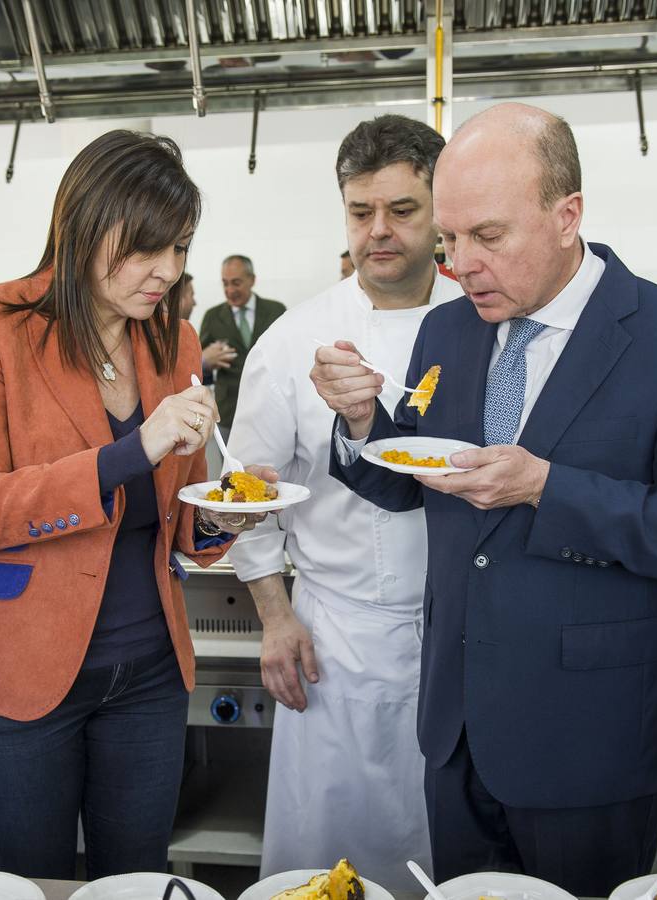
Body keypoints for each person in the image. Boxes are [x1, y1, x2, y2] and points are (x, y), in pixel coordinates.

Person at [311, 102, 657, 895]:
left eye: (487, 237)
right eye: (449, 240)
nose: (459, 264)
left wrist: (548, 487)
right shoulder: (447, 333)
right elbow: (414, 478)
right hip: (456, 729)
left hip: (589, 736)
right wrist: (358, 424)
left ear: (566, 216)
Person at [0, 130, 259, 880]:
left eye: (179, 250)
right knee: (29, 879)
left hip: (146, 674)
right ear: (83, 227)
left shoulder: (174, 342)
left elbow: (183, 528)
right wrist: (128, 451)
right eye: (146, 249)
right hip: (15, 672)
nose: (166, 273)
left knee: (137, 879)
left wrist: (228, 512)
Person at [227, 115, 454, 891]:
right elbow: (248, 490)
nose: (379, 232)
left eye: (402, 210)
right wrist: (274, 615)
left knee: (448, 851)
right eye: (361, 213)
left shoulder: (486, 323)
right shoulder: (295, 340)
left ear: (440, 208)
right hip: (334, 639)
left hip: (462, 638)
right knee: (323, 862)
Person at [198, 254, 286, 431]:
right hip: (229, 413)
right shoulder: (212, 316)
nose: (230, 290)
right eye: (225, 283)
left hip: (272, 409)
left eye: (236, 283)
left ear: (252, 280)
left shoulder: (276, 310)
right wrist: (205, 362)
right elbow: (197, 368)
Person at [176, 272, 237, 378]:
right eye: (191, 295)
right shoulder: (158, 336)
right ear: (178, 299)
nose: (194, 303)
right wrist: (202, 361)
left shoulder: (184, 333)